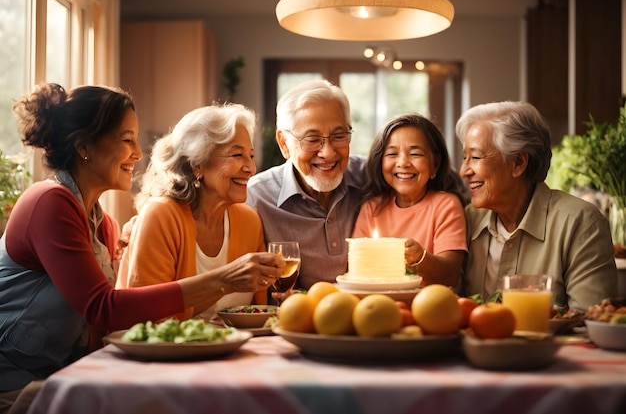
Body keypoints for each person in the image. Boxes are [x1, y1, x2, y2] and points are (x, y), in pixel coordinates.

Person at [0, 83, 283, 412]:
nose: (138, 152)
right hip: (13, 379)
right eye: (126, 140)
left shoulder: (104, 225)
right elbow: (103, 309)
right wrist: (224, 280)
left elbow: (100, 326)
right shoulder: (49, 203)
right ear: (85, 146)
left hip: (58, 374)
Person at [456, 100, 617, 311]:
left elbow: (592, 321)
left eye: (475, 157)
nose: (463, 171)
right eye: (464, 157)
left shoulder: (581, 224)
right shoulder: (465, 221)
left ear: (518, 163)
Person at [116, 103, 270, 321]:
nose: (251, 168)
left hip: (234, 352)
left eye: (251, 156)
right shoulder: (161, 216)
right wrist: (223, 283)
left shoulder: (249, 221)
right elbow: (146, 318)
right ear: (198, 164)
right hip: (166, 352)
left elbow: (261, 313)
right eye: (237, 155)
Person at [246, 79, 366, 290]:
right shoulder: (255, 198)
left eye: (339, 136)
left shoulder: (371, 177)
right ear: (284, 143)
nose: (328, 152)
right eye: (312, 139)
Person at [352, 113, 468, 287]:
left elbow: (449, 274)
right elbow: (356, 269)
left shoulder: (446, 205)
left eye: (415, 153)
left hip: (430, 307)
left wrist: (420, 258)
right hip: (377, 303)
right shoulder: (371, 208)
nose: (403, 162)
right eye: (392, 154)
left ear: (435, 164)